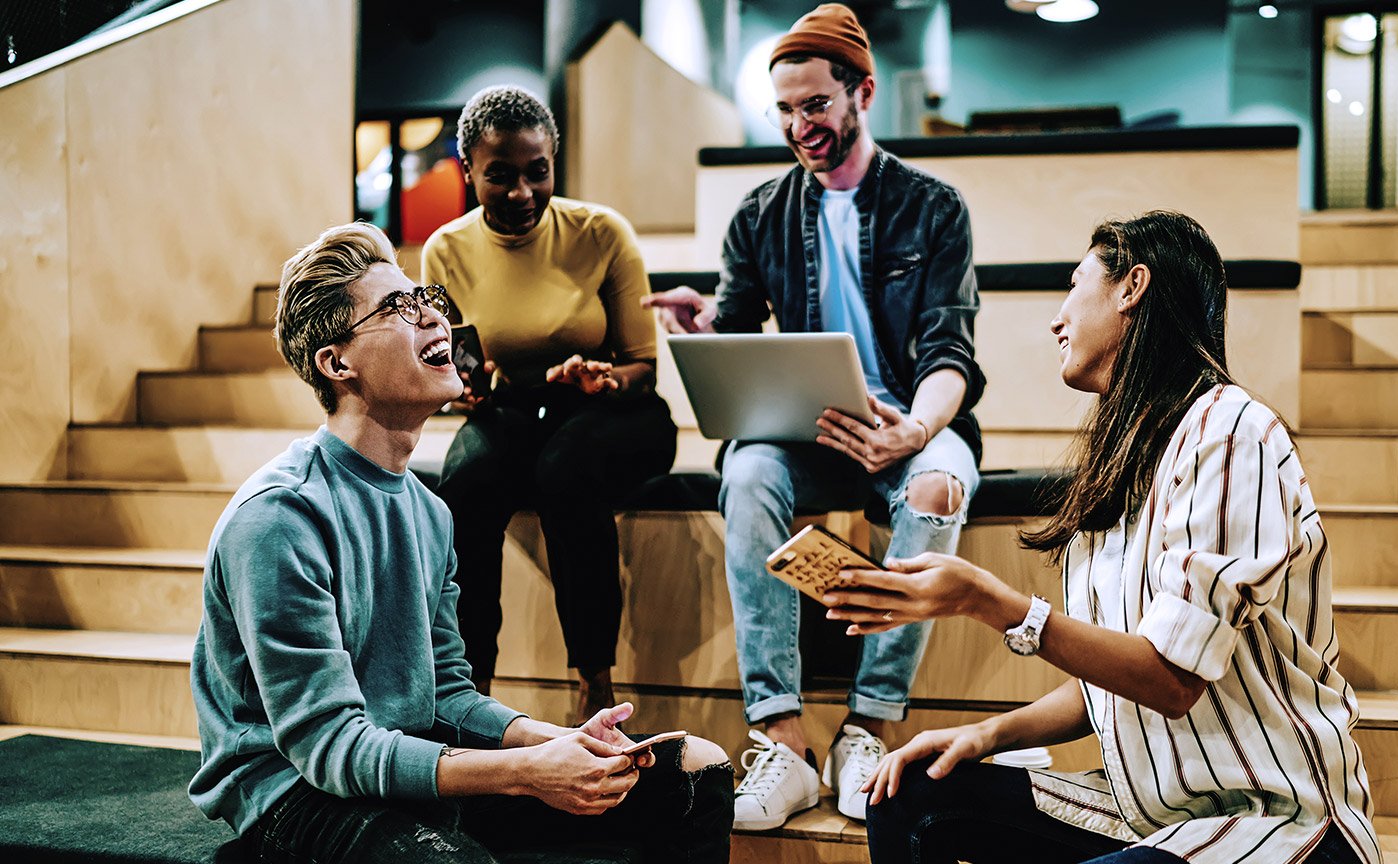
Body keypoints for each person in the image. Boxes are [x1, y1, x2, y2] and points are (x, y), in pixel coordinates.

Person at [820, 211, 1380, 864]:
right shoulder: (1125, 457)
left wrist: (988, 601)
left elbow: (1171, 679)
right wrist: (984, 734)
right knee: (908, 791)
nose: (1057, 318)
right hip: (1144, 811)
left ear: (1131, 287)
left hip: (1274, 817)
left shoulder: (1232, 435)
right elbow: (1111, 682)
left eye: (1074, 285)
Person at [187, 222, 732, 863]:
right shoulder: (281, 517)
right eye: (397, 308)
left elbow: (446, 693)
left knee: (698, 770)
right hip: (295, 790)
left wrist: (561, 743)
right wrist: (528, 770)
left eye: (426, 300)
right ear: (337, 364)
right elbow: (330, 748)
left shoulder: (430, 513)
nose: (433, 319)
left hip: (406, 759)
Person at [644, 3, 985, 830]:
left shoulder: (932, 207)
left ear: (862, 93)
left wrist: (915, 430)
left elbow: (952, 354)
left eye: (817, 105)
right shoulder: (760, 214)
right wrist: (706, 328)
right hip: (806, 430)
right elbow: (738, 328)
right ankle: (784, 742)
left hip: (910, 424)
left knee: (938, 485)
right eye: (786, 109)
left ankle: (868, 727)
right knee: (750, 467)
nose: (801, 125)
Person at [423, 85, 677, 718]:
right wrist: (466, 387)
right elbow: (453, 368)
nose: (521, 192)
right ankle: (466, 690)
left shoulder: (600, 233)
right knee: (464, 482)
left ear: (554, 163)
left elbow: (643, 366)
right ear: (469, 173)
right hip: (511, 410)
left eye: (538, 173)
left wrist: (607, 378)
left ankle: (595, 681)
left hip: (610, 409)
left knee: (567, 470)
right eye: (499, 176)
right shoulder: (444, 251)